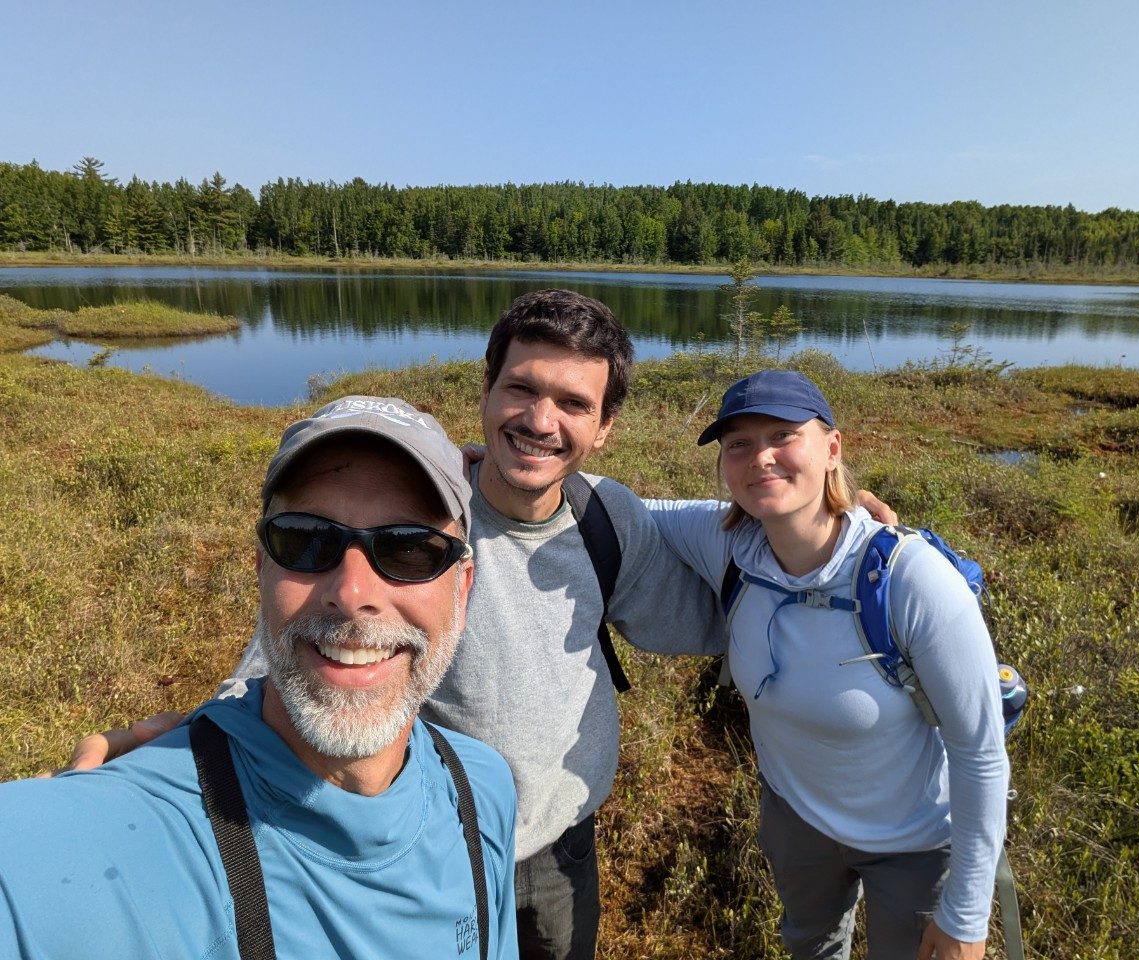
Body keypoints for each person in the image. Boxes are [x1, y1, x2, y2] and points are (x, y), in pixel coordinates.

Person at [60, 292, 898, 960]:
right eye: (522, 389)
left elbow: (715, 614)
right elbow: (290, 657)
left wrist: (822, 537)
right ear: (487, 391)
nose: (540, 419)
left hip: (564, 845)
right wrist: (186, 757)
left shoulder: (611, 522)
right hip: (430, 849)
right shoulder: (418, 518)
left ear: (603, 429)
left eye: (573, 402)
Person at [0, 395, 518, 958]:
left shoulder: (482, 791)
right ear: (262, 569)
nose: (352, 595)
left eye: (410, 550)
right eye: (306, 540)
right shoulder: (110, 842)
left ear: (463, 590)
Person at [644, 370, 1010, 960]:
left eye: (784, 435)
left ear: (831, 448)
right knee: (810, 947)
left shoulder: (911, 579)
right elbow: (619, 506)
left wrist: (967, 915)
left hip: (913, 841)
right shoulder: (729, 543)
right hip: (796, 821)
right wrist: (494, 471)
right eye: (738, 444)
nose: (760, 457)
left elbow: (980, 751)